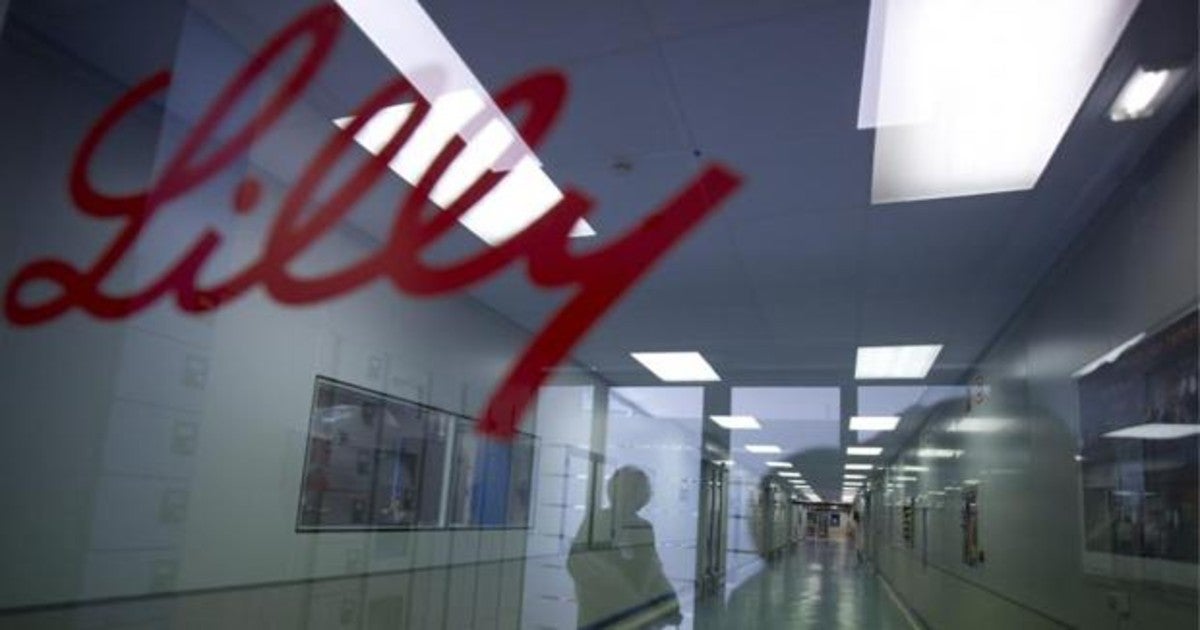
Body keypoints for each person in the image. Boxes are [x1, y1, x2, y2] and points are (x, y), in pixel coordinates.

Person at [568, 466, 682, 629]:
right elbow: (579, 564)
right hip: (602, 617)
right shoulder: (598, 521)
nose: (639, 495)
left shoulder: (644, 527)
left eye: (641, 490)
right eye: (633, 489)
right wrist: (631, 600)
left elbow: (654, 569)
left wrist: (669, 603)